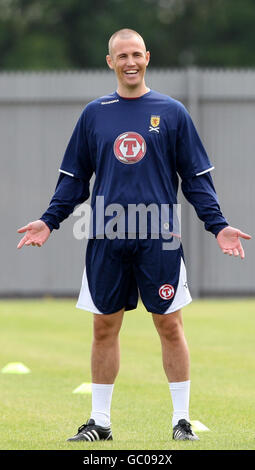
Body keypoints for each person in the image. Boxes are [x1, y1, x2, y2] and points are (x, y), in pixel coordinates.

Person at [17, 29, 251, 442]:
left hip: (159, 238)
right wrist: (48, 220)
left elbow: (195, 179)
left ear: (147, 57)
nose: (130, 62)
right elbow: (74, 180)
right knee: (104, 327)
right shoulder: (94, 114)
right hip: (106, 237)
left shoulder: (173, 112)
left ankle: (182, 421)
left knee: (170, 325)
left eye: (136, 54)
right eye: (121, 55)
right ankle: (100, 424)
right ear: (110, 61)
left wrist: (218, 225)